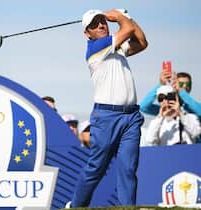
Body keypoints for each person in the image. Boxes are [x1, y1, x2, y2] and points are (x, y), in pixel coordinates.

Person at [68, 8, 148, 208]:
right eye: (94, 24)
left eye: (103, 21)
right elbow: (128, 30)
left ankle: (126, 207)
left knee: (128, 168)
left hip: (131, 116)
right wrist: (121, 17)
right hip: (106, 117)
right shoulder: (97, 47)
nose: (101, 25)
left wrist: (128, 17)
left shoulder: (116, 48)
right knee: (97, 168)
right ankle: (77, 206)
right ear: (87, 33)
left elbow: (142, 42)